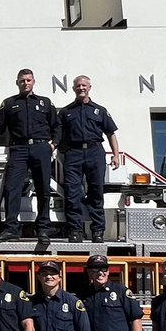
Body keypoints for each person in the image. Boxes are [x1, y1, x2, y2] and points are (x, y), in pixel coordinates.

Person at [0, 69, 59, 245]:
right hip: (18, 148)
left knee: (43, 189)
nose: (25, 83)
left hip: (41, 147)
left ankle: (43, 229)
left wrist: (53, 144)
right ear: (17, 83)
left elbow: (57, 126)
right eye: (22, 81)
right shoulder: (9, 103)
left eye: (28, 80)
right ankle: (11, 229)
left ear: (34, 81)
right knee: (12, 188)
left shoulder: (45, 102)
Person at [59, 75, 121, 243]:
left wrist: (115, 155)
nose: (81, 88)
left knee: (96, 192)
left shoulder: (99, 110)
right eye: (78, 85)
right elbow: (58, 135)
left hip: (95, 152)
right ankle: (75, 231)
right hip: (73, 153)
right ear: (73, 88)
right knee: (72, 194)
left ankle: (98, 231)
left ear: (89, 87)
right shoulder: (65, 112)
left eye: (84, 85)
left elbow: (111, 134)